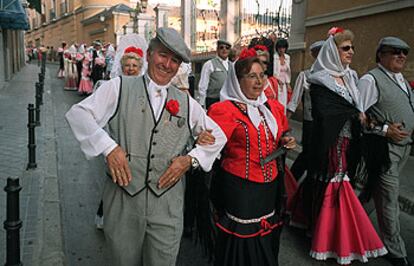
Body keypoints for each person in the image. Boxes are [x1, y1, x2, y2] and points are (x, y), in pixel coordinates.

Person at [65, 27, 226, 266]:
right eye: (163, 55)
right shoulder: (118, 87)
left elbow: (218, 136)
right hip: (123, 200)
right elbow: (79, 114)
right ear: (149, 54)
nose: (167, 64)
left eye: (174, 60)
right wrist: (109, 147)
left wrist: (190, 159)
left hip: (167, 205)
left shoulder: (185, 102)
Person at [303, 27, 387, 264]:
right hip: (331, 142)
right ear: (333, 51)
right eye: (345, 48)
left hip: (350, 140)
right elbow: (325, 111)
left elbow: (359, 109)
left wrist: (373, 123)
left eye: (352, 47)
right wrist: (354, 114)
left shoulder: (351, 76)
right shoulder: (319, 79)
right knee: (335, 184)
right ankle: (332, 238)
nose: (351, 51)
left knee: (338, 181)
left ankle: (326, 233)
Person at [207, 48, 296, 266]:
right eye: (252, 76)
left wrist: (286, 140)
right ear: (237, 81)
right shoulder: (224, 110)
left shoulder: (272, 107)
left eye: (262, 75)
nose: (259, 82)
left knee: (265, 231)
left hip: (269, 185)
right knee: (243, 237)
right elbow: (210, 145)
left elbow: (282, 133)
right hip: (240, 187)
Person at [358, 37, 413, 266]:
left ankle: (344, 227)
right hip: (384, 150)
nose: (401, 56)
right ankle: (396, 251)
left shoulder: (401, 80)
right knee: (389, 198)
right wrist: (383, 129)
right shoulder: (371, 80)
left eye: (404, 52)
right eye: (394, 52)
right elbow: (356, 115)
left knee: (374, 194)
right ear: (381, 55)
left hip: (404, 149)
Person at [286, 40, 324, 180]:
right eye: (318, 52)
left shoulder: (336, 75)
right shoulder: (305, 75)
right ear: (314, 55)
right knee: (307, 153)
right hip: (311, 121)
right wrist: (285, 122)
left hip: (326, 123)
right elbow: (294, 100)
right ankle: (292, 181)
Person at [198, 39, 231, 109]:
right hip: (213, 100)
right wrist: (201, 103)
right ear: (217, 50)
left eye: (227, 48)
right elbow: (203, 85)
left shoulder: (232, 65)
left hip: (228, 101)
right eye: (221, 47)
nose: (224, 50)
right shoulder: (209, 64)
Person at [273, 39, 292, 110]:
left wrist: (288, 83)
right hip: (275, 83)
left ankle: (282, 118)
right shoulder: (274, 57)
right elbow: (273, 72)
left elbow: (287, 72)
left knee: (284, 102)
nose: (281, 50)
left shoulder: (287, 57)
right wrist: (277, 80)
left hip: (284, 84)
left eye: (283, 48)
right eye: (280, 48)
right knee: (277, 101)